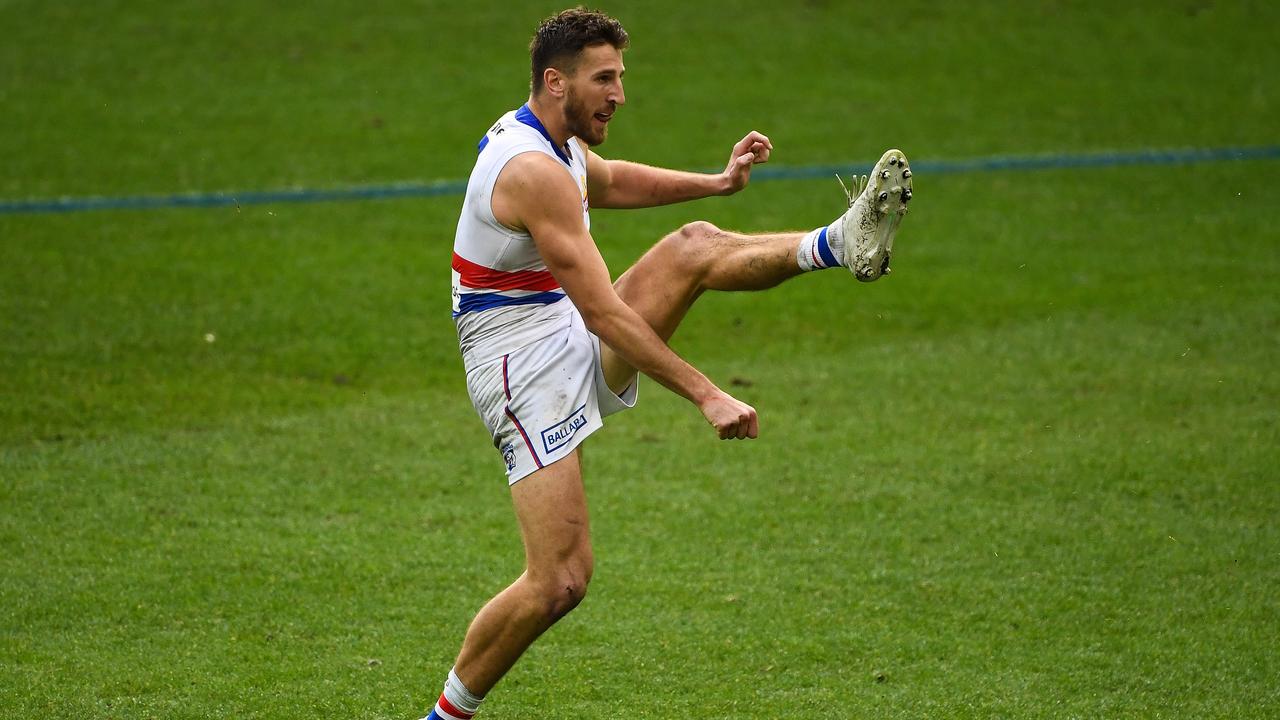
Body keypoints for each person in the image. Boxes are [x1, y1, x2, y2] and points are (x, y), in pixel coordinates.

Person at [425, 8, 912, 719]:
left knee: (693, 243)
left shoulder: (553, 139)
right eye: (606, 78)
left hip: (554, 329)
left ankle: (837, 243)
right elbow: (606, 315)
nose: (620, 93)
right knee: (560, 581)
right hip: (516, 368)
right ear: (555, 82)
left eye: (620, 76)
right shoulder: (531, 170)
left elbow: (612, 179)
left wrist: (716, 183)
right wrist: (705, 393)